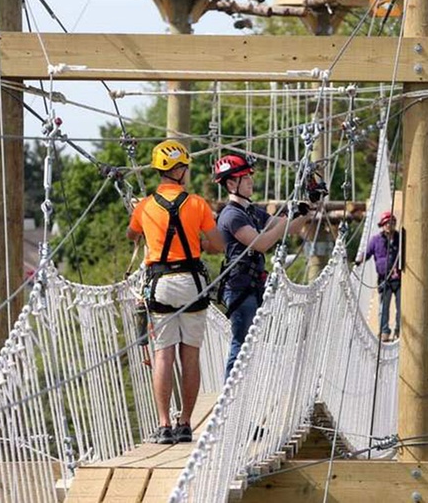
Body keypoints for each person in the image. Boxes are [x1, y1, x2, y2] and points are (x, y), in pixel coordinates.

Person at [127, 139, 225, 445]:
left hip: (161, 285)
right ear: (179, 169)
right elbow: (218, 244)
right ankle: (185, 423)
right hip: (192, 283)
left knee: (163, 355)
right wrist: (199, 245)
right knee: (191, 354)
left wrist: (140, 214)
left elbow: (132, 235)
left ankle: (164, 424)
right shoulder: (197, 204)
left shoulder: (145, 206)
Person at [213, 153, 312, 377]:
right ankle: (232, 398)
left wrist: (308, 210)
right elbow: (262, 244)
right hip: (239, 288)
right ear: (231, 183)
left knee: (253, 344)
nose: (250, 181)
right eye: (244, 177)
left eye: (249, 177)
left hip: (254, 285)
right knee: (241, 344)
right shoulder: (231, 216)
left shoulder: (252, 211)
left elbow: (290, 229)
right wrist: (287, 219)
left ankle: (245, 391)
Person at [357, 211, 401, 342]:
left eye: (392, 223)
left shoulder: (400, 238)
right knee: (384, 307)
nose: (389, 225)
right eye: (387, 223)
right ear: (383, 225)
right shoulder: (376, 240)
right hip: (384, 279)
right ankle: (384, 331)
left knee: (401, 307)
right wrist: (360, 259)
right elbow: (368, 252)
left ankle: (399, 330)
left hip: (399, 279)